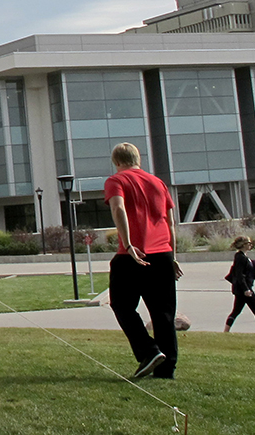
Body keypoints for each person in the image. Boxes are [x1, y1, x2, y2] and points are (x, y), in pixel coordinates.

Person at [104, 142, 182, 381]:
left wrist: (128, 244)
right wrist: (173, 257)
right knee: (163, 314)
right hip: (163, 255)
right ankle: (166, 370)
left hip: (132, 256)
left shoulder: (116, 180)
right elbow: (169, 222)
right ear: (138, 159)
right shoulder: (158, 183)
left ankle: (148, 351)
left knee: (122, 305)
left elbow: (118, 209)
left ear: (117, 162)